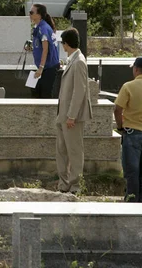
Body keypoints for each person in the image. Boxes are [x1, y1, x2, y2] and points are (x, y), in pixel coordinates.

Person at [55, 28, 93, 194]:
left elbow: (80, 91)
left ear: (66, 43)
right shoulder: (73, 59)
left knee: (74, 151)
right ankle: (64, 183)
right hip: (63, 114)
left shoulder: (79, 62)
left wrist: (72, 115)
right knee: (62, 150)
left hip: (72, 116)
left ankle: (75, 185)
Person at [114, 56, 142, 203]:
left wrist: (119, 126)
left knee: (132, 171)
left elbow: (117, 109)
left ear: (136, 69)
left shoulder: (128, 86)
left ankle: (131, 203)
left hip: (131, 132)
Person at [29, 3, 60, 98]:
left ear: (39, 15)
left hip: (48, 68)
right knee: (34, 91)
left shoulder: (43, 29)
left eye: (31, 12)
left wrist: (41, 68)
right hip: (43, 67)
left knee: (45, 95)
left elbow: (45, 49)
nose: (29, 14)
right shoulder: (38, 27)